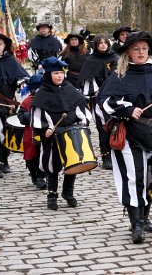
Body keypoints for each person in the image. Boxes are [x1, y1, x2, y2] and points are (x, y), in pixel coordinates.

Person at [97, 31, 152, 244]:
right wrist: (127, 109)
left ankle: (145, 217)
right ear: (128, 51)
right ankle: (135, 223)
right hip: (129, 135)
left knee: (150, 178)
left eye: (144, 49)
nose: (140, 52)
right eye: (136, 49)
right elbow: (104, 103)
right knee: (134, 177)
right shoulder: (119, 75)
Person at [31, 57, 92, 210]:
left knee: (73, 162)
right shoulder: (42, 94)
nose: (59, 76)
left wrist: (81, 122)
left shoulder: (71, 90)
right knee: (53, 165)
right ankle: (52, 195)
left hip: (70, 133)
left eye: (61, 73)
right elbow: (37, 117)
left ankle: (68, 192)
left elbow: (82, 111)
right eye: (55, 73)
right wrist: (45, 129)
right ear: (48, 75)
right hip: (52, 136)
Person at [77, 34, 118, 170]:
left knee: (115, 127)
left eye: (105, 43)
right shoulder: (91, 60)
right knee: (103, 127)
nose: (103, 45)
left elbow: (120, 77)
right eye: (100, 43)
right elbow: (86, 79)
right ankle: (106, 157)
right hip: (97, 99)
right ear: (96, 45)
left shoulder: (115, 58)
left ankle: (116, 155)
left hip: (114, 98)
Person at [0, 32, 29, 178]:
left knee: (7, 131)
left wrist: (21, 84)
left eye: (0, 44)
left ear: (4, 45)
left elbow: (21, 77)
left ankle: (5, 160)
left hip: (9, 102)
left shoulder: (10, 60)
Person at [17, 74, 47, 189]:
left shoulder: (48, 98)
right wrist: (31, 115)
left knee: (43, 153)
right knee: (31, 156)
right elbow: (20, 117)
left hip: (44, 131)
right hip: (30, 133)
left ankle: (41, 177)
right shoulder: (26, 102)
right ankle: (34, 174)